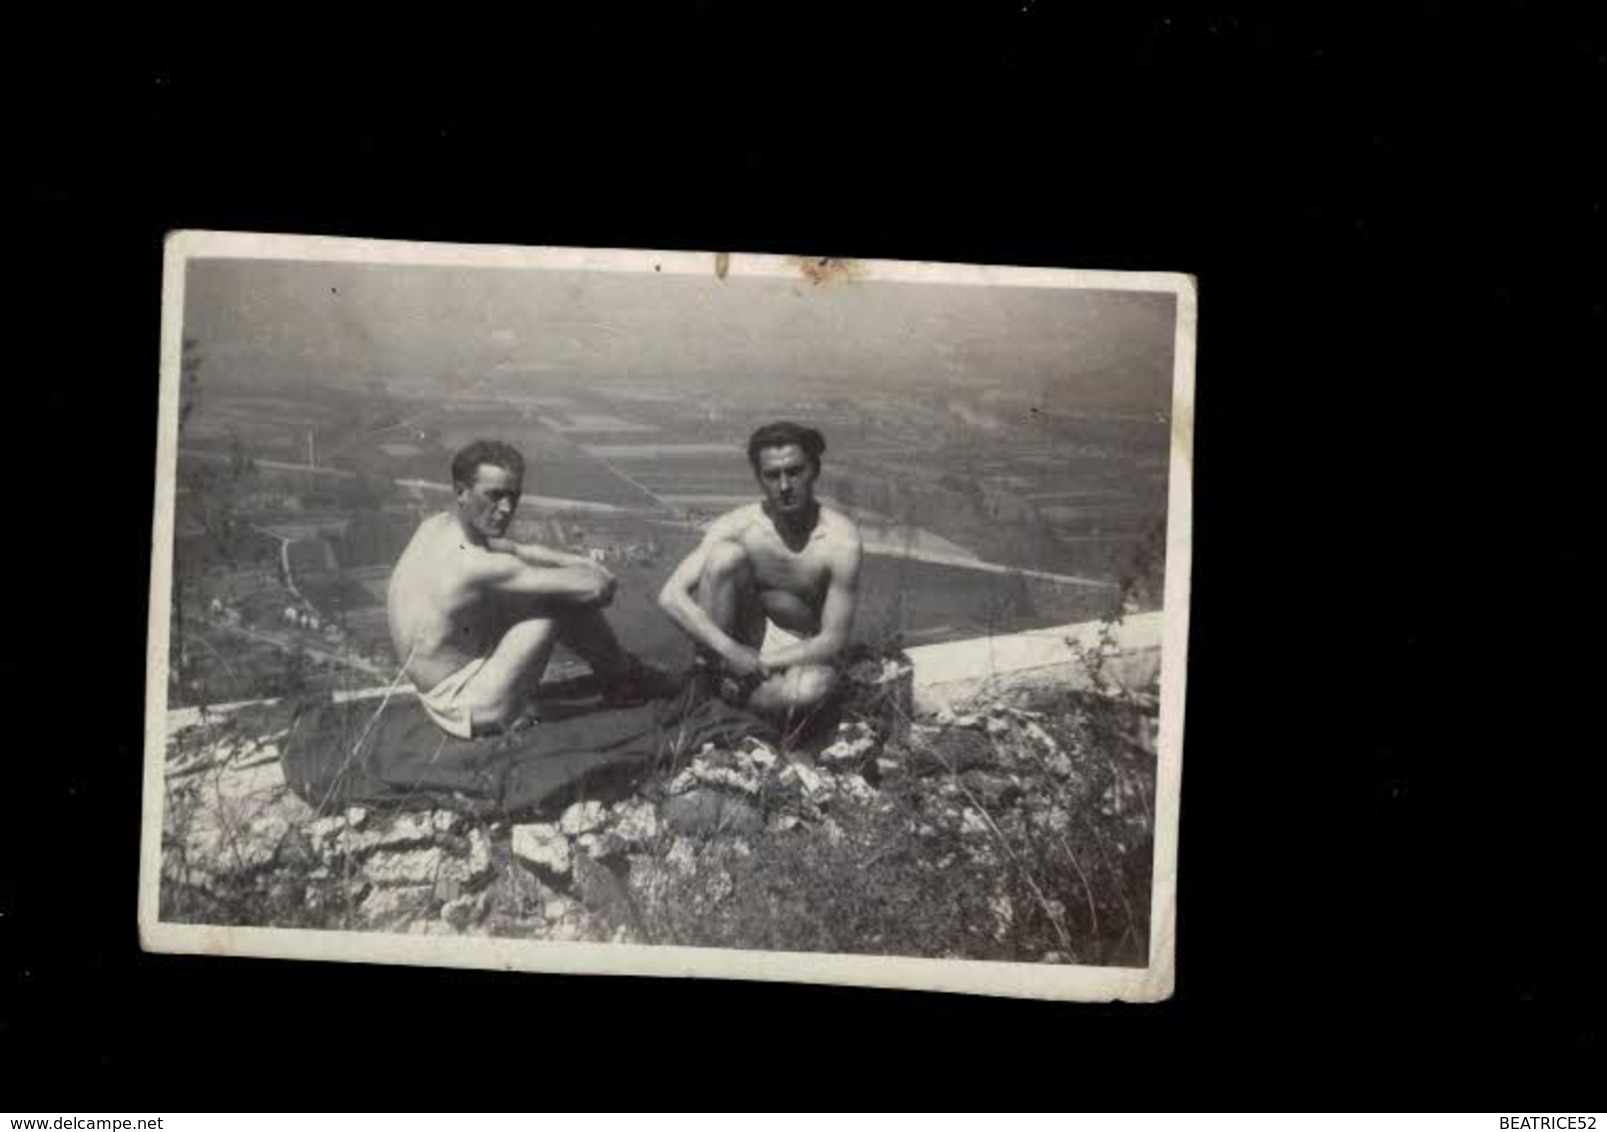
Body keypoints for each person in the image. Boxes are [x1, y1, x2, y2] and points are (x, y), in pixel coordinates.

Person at [387, 440, 661, 738]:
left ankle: (621, 675)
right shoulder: (476, 565)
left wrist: (566, 559)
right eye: (494, 496)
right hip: (469, 707)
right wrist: (588, 571)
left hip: (437, 695)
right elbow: (598, 588)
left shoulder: (435, 525)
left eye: (512, 496)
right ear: (461, 491)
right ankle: (624, 678)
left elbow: (510, 547)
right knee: (555, 601)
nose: (506, 508)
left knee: (534, 591)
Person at [658, 421, 862, 719]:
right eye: (772, 475)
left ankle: (728, 692)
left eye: (794, 471)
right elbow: (670, 596)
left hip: (799, 650)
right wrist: (732, 652)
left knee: (810, 691)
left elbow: (832, 639)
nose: (784, 486)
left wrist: (760, 662)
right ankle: (709, 679)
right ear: (759, 478)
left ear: (814, 470)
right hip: (735, 645)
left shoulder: (839, 540)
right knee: (723, 556)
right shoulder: (738, 526)